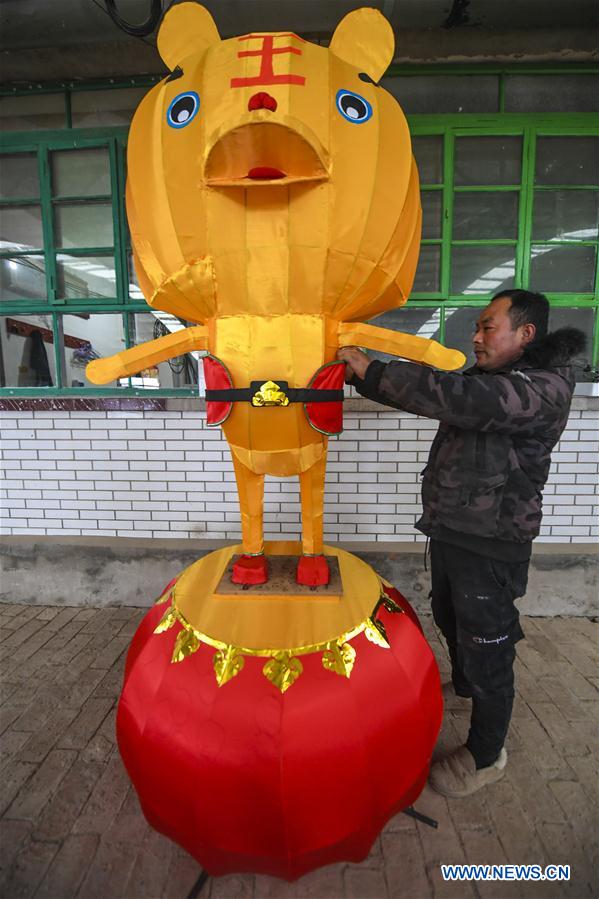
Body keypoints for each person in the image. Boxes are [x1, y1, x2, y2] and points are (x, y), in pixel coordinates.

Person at [338, 289, 585, 798]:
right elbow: (441, 393)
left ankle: (486, 753)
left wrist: (372, 369)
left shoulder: (541, 389)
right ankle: (468, 686)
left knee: (487, 643)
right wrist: (366, 380)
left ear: (526, 334)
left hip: (493, 541)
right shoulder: (494, 379)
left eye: (487, 326)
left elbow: (460, 400)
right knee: (448, 614)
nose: (475, 337)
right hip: (455, 528)